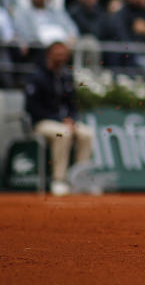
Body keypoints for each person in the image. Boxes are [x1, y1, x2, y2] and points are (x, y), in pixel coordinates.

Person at [24, 38, 94, 196]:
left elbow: (72, 104)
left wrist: (72, 119)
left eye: (64, 54)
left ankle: (80, 180)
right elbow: (32, 108)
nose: (61, 57)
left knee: (86, 134)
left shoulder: (66, 76)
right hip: (41, 123)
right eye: (58, 54)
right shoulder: (37, 76)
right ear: (49, 54)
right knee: (63, 133)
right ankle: (59, 180)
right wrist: (59, 119)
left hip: (63, 122)